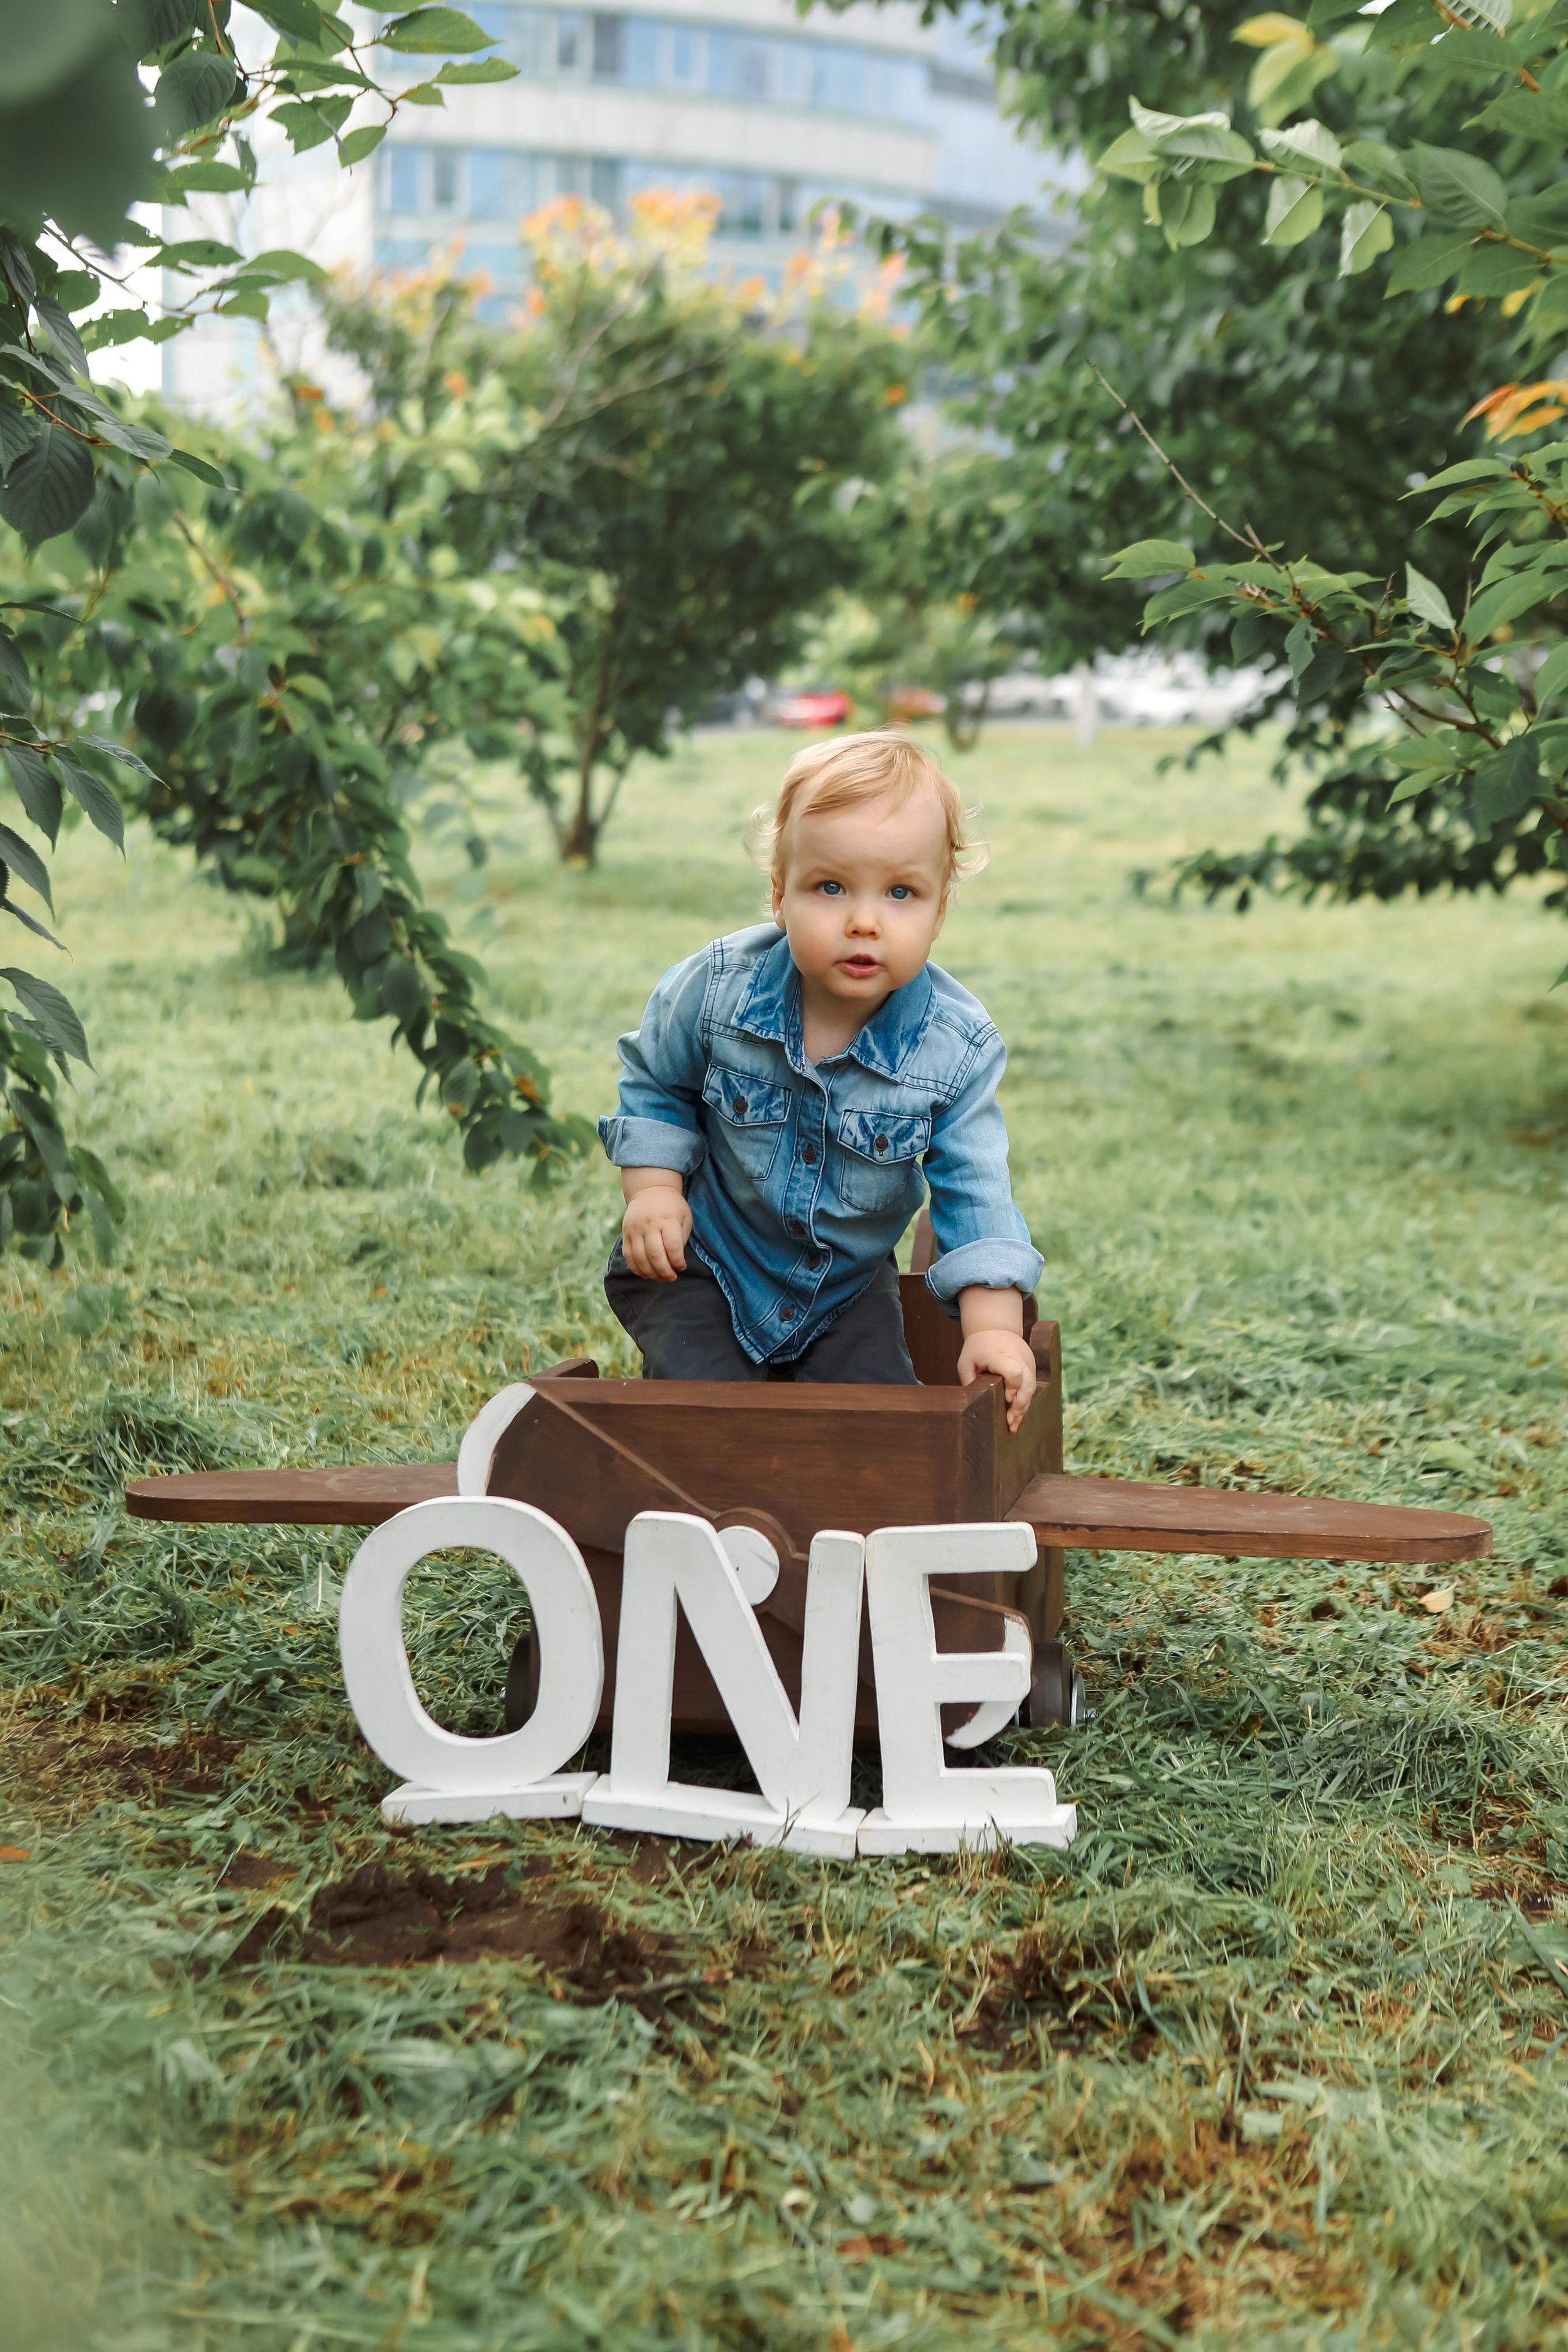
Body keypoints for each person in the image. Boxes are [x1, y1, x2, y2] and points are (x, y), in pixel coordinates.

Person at [597, 730, 1044, 1430]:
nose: (863, 921)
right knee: (705, 1411)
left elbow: (976, 1193)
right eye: (829, 887)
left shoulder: (953, 1050)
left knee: (880, 1424)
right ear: (780, 893)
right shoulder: (717, 990)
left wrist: (991, 1330)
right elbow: (658, 1082)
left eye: (901, 892)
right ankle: (708, 1516)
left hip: (843, 1285)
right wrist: (652, 1190)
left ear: (938, 911)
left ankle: (851, 1529)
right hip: (705, 1260)